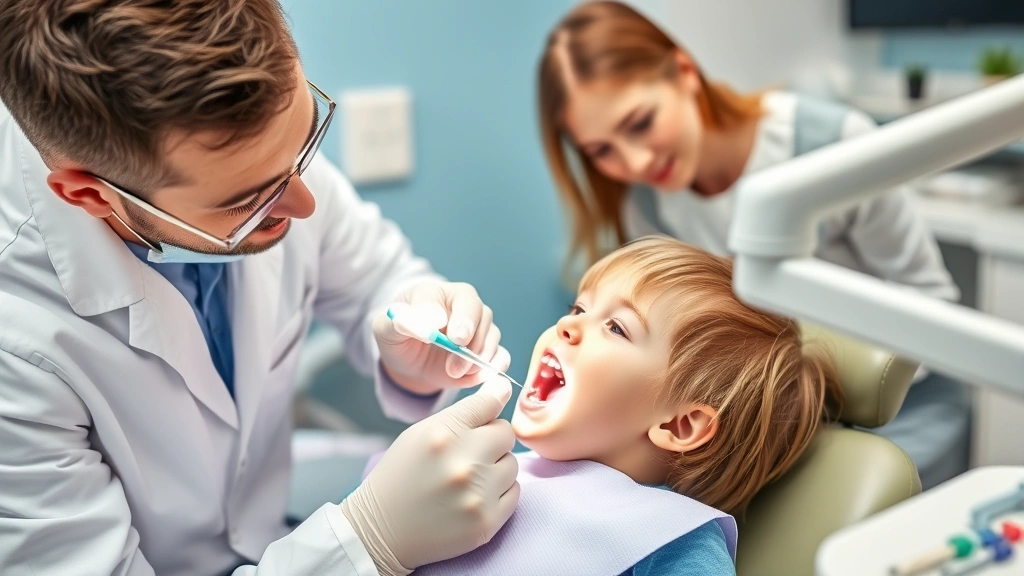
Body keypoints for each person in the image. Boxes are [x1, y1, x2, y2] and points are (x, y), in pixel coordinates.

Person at [0, 2, 520, 575]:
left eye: (304, 144)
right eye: (247, 202)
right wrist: (368, 544)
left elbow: (379, 277)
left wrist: (415, 350)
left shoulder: (245, 152)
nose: (305, 204)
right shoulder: (16, 334)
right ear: (91, 195)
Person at [536, 0, 971, 490]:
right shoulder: (647, 202)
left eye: (640, 123)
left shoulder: (831, 144)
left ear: (683, 73)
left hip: (907, 411)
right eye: (602, 151)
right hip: (770, 425)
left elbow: (932, 300)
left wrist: (805, 391)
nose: (635, 160)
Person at [373, 236, 841, 576]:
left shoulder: (667, 541)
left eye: (616, 328)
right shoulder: (499, 472)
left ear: (679, 424)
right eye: (579, 308)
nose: (566, 326)